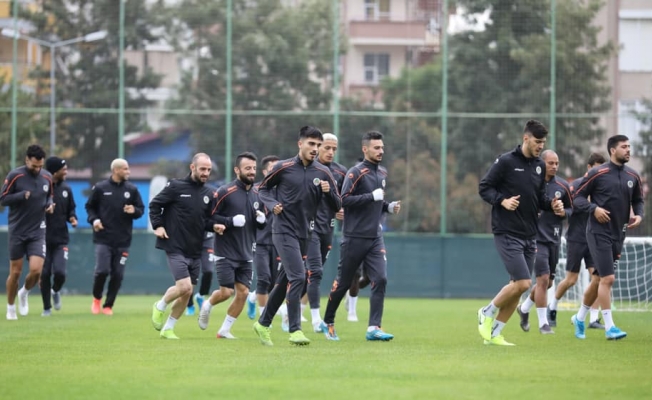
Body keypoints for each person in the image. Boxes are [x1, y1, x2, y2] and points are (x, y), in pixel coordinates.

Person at [253, 126, 341, 346]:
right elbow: (263, 189)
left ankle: (263, 323)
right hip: (283, 230)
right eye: (311, 144)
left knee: (285, 280)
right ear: (300, 144)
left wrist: (328, 192)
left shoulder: (323, 172)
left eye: (318, 145)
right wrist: (272, 204)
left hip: (306, 233)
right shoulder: (283, 167)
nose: (315, 149)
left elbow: (338, 205)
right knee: (299, 277)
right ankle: (295, 330)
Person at [477, 120, 563, 346]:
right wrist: (502, 200)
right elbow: (484, 188)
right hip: (507, 231)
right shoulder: (506, 161)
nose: (540, 146)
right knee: (524, 283)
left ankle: (494, 334)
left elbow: (540, 198)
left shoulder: (540, 166)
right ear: (526, 138)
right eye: (537, 142)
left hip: (530, 235)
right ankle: (486, 312)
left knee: (516, 288)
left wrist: (551, 205)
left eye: (543, 142)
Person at [321, 130, 401, 342]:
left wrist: (388, 206)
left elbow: (376, 202)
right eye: (376, 148)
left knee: (381, 279)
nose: (380, 151)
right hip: (354, 237)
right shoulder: (355, 173)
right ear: (365, 149)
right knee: (344, 282)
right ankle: (328, 321)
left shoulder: (381, 174)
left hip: (375, 237)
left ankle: (374, 327)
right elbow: (343, 200)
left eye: (382, 147)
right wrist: (371, 196)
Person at [571, 135, 644, 340]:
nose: (628, 150)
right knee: (608, 279)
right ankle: (610, 328)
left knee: (597, 280)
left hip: (619, 234)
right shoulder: (598, 173)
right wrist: (594, 209)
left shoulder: (633, 175)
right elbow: (577, 198)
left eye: (629, 146)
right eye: (624, 147)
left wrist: (639, 215)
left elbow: (638, 200)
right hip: (597, 232)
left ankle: (579, 318)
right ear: (613, 150)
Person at [149, 153, 225, 339]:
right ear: (192, 167)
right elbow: (155, 205)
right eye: (202, 169)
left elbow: (205, 221)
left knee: (187, 292)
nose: (206, 173)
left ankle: (168, 328)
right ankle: (160, 305)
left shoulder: (209, 193)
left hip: (195, 249)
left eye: (208, 170)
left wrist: (214, 226)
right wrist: (158, 226)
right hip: (174, 245)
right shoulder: (176, 186)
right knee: (183, 287)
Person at [198, 152, 267, 339]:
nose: (251, 172)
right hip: (225, 251)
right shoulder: (224, 192)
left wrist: (262, 221)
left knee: (243, 293)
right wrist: (230, 221)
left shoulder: (258, 194)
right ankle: (207, 305)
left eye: (253, 168)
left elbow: (260, 224)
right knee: (226, 292)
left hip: (247, 252)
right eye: (247, 168)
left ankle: (224, 330)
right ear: (237, 170)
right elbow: (209, 218)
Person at [548, 153, 606, 328]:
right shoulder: (576, 186)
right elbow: (570, 208)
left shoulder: (603, 189)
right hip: (576, 238)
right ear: (589, 168)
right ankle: (552, 306)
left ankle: (593, 319)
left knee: (598, 279)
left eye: (602, 169)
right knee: (571, 280)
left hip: (594, 239)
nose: (599, 172)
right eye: (596, 168)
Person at [516, 150, 572, 334]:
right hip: (535, 239)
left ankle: (524, 309)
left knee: (546, 283)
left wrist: (564, 212)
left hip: (554, 239)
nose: (554, 166)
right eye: (550, 163)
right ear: (542, 163)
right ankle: (543, 324)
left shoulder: (563, 186)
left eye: (557, 163)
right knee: (543, 279)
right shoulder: (531, 182)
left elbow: (572, 210)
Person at [85, 158, 144, 315]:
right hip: (103, 238)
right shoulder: (100, 188)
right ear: (116, 170)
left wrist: (134, 211)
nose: (128, 172)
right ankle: (97, 299)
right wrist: (95, 220)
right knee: (102, 271)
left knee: (118, 274)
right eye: (125, 169)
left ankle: (108, 306)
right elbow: (90, 207)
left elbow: (140, 209)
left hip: (123, 240)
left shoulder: (132, 189)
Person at [1, 145, 53, 320]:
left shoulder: (47, 177)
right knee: (15, 273)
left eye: (40, 166)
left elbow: (49, 196)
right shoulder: (15, 175)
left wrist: (49, 205)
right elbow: (3, 198)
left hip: (38, 231)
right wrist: (20, 195)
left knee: (36, 270)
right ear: (27, 160)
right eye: (34, 166)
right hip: (17, 231)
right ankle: (10, 307)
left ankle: (24, 292)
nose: (37, 169)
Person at [304, 133, 347, 332]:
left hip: (327, 229)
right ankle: (316, 320)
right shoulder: (307, 169)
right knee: (315, 272)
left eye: (334, 149)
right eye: (327, 148)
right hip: (308, 229)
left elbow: (345, 199)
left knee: (309, 274)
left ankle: (290, 309)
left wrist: (342, 209)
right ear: (318, 147)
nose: (330, 152)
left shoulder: (340, 172)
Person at [41, 157, 78, 316]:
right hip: (41, 238)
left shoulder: (66, 189)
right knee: (44, 274)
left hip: (60, 239)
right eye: (64, 169)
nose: (66, 172)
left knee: (60, 273)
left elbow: (71, 209)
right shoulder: (42, 188)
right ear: (54, 171)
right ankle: (46, 308)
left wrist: (72, 218)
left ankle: (55, 290)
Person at [246, 155, 280, 320]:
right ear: (265, 171)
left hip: (278, 241)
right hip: (259, 242)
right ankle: (263, 319)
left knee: (273, 283)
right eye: (273, 168)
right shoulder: (255, 190)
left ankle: (252, 298)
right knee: (264, 278)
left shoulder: (284, 190)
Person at [185, 230, 217, 316]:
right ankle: (190, 305)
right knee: (189, 276)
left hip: (208, 239)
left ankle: (201, 295)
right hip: (191, 240)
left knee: (208, 271)